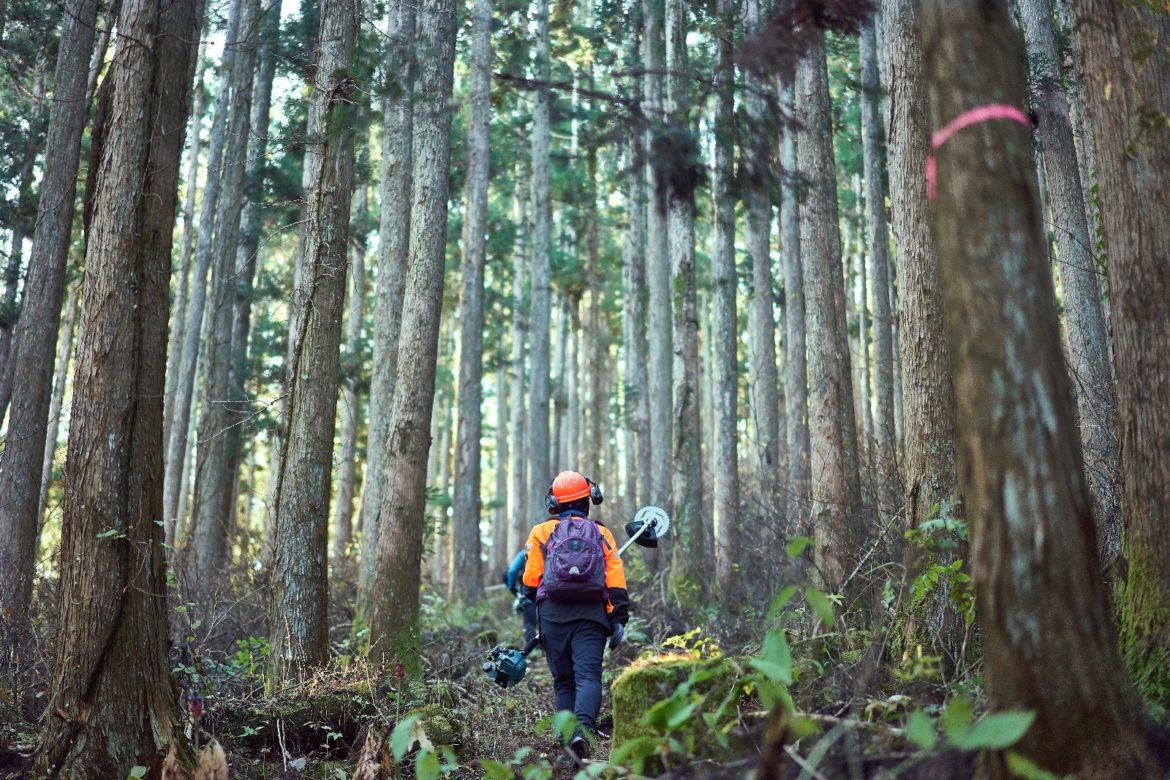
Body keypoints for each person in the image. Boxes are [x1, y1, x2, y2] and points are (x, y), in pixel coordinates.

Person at [521, 470, 629, 765]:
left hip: (553, 616)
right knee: (588, 676)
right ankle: (582, 731)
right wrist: (619, 617)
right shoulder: (602, 533)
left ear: (554, 503)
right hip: (592, 617)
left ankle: (566, 739)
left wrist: (534, 605)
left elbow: (531, 580)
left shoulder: (541, 532)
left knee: (564, 682)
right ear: (588, 500)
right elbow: (615, 579)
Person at [504, 548, 538, 644]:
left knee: (528, 622)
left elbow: (512, 571)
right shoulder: (551, 548)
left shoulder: (525, 553)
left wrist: (512, 588)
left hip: (529, 590)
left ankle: (533, 648)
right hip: (547, 589)